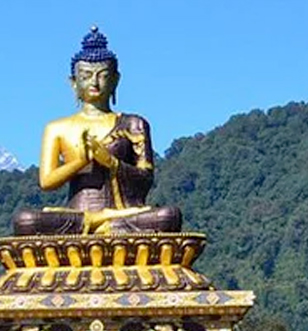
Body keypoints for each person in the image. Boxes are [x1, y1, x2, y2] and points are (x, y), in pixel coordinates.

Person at [13, 27, 182, 237]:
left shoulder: (133, 124)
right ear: (73, 83)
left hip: (123, 214)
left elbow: (145, 178)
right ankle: (96, 223)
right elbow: (47, 182)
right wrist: (80, 161)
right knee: (25, 220)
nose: (94, 82)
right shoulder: (57, 128)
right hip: (77, 214)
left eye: (102, 76)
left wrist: (109, 162)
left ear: (115, 80)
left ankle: (104, 223)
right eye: (86, 76)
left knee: (168, 216)